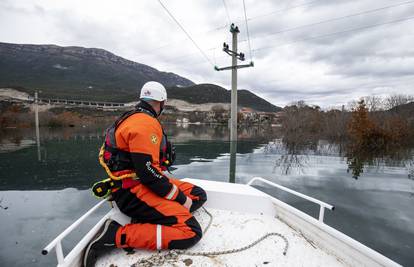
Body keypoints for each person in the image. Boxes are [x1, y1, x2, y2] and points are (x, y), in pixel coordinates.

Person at [83, 81, 207, 267]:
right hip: (133, 191)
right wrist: (180, 198)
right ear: (162, 102)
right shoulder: (145, 123)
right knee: (191, 232)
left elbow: (147, 170)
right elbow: (148, 173)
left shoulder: (132, 117)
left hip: (142, 182)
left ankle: (153, 217)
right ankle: (114, 235)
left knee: (198, 195)